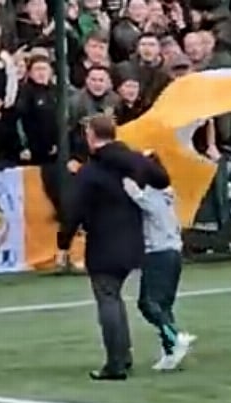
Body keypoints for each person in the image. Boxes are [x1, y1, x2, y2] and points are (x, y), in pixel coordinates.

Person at [57, 115, 169, 381]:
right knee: (115, 297)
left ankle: (117, 362)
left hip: (103, 241)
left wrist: (63, 243)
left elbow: (73, 210)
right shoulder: (133, 161)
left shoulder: (90, 172)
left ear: (91, 136)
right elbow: (162, 179)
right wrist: (151, 160)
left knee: (108, 299)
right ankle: (124, 355)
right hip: (132, 238)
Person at [121, 152, 195, 371]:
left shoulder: (151, 196)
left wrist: (125, 177)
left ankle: (174, 337)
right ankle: (170, 350)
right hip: (172, 251)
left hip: (159, 253)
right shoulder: (165, 194)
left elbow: (134, 194)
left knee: (147, 303)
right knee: (163, 304)